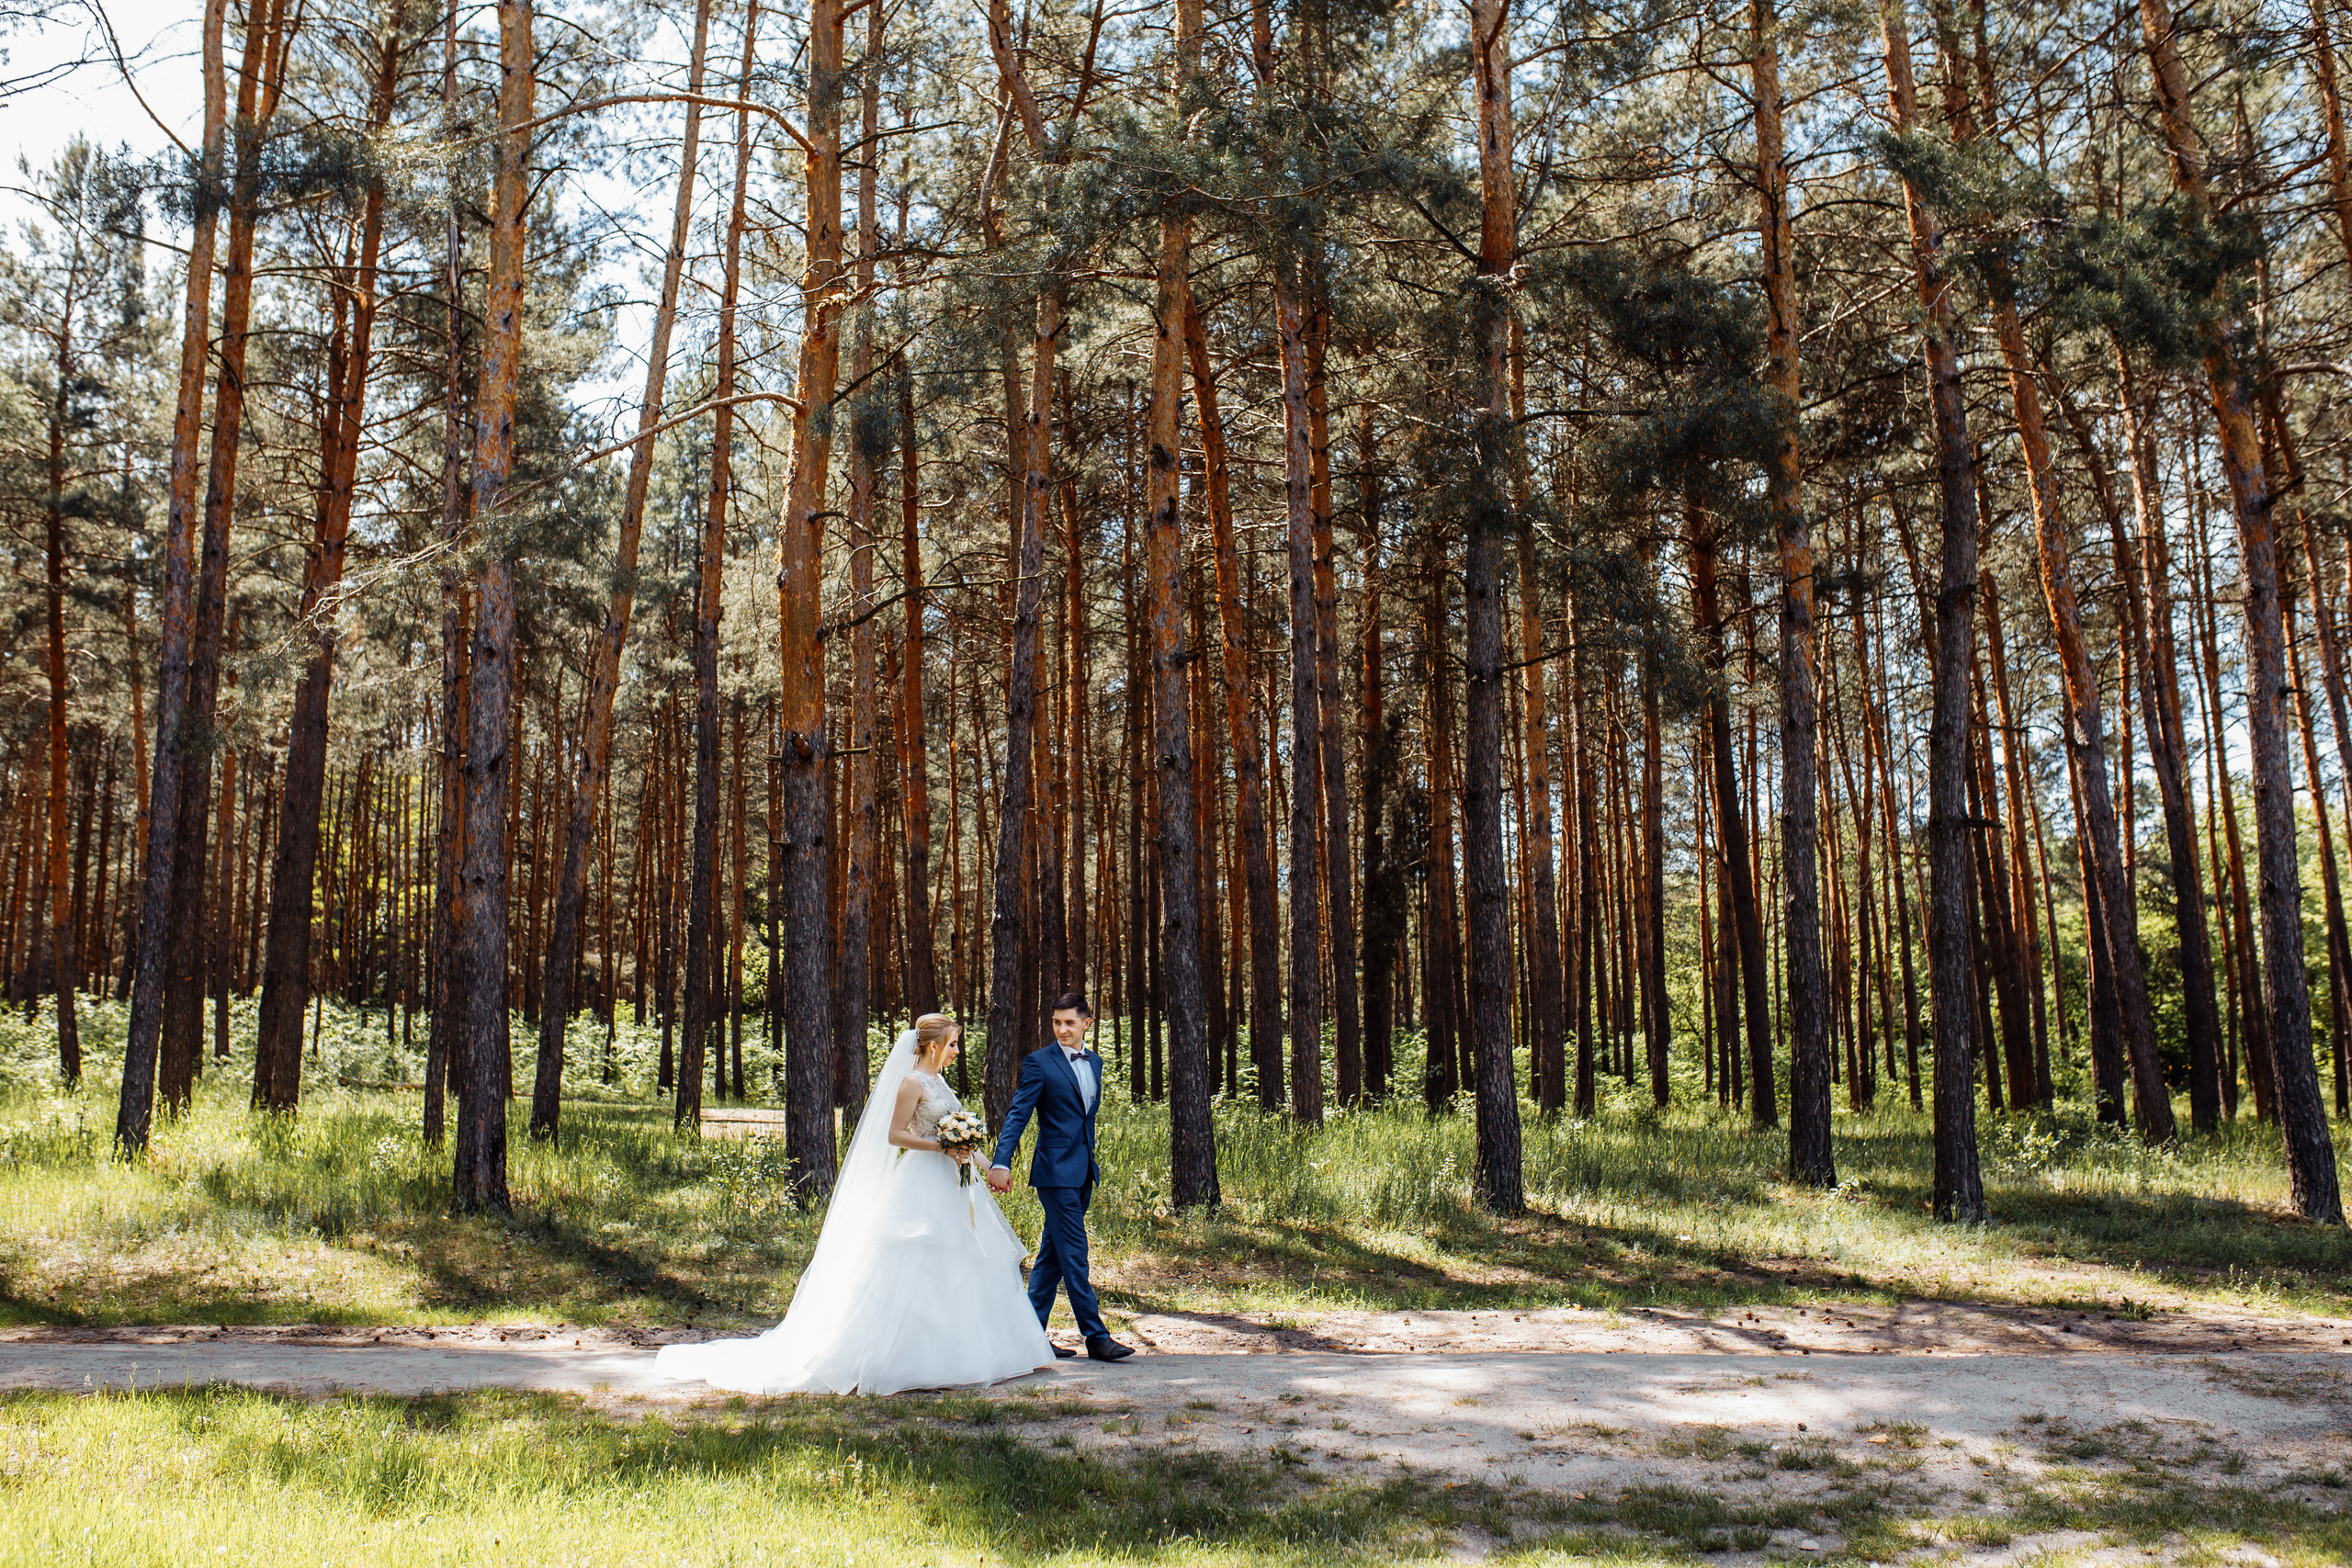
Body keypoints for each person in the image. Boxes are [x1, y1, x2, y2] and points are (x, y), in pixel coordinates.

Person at [652, 1013, 1057, 1395]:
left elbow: (962, 1141)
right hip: (922, 1182)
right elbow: (896, 1135)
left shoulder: (943, 1083)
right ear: (933, 1047)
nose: (956, 1052)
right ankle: (907, 1359)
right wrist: (940, 1146)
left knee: (965, 1260)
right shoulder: (912, 1083)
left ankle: (972, 1352)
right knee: (917, 1260)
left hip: (954, 1180)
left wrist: (990, 1167)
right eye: (952, 1045)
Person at [987, 992, 1135, 1361]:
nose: (1062, 1029)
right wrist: (1001, 1162)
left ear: (1087, 1024)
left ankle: (1029, 1337)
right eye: (1056, 1022)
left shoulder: (1095, 1062)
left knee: (1052, 1258)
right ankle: (1096, 1337)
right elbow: (1017, 1115)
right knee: (1075, 1254)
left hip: (1083, 1171)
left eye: (1070, 1022)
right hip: (1054, 1173)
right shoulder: (1039, 1063)